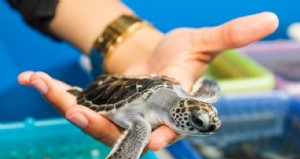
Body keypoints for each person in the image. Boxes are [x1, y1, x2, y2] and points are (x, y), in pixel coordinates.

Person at [7, 0, 279, 151]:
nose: (209, 126)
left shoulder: (183, 92)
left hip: (132, 74)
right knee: (134, 144)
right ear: (180, 116)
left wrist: (139, 48)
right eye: (197, 121)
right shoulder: (140, 125)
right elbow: (207, 88)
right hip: (104, 94)